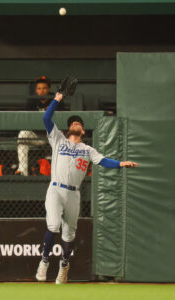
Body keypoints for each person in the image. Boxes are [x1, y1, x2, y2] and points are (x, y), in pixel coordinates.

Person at [35, 92, 139, 284]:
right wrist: (57, 98)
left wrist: (120, 164)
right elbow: (46, 117)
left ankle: (64, 265)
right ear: (68, 130)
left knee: (69, 234)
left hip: (73, 193)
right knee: (53, 225)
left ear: (83, 131)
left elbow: (103, 160)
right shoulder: (58, 140)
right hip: (56, 189)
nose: (75, 123)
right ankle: (44, 261)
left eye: (79, 123)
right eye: (72, 123)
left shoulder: (88, 150)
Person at [15, 76, 53, 176]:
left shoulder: (55, 100)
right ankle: (23, 171)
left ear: (48, 89)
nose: (42, 91)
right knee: (23, 135)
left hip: (51, 136)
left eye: (44, 88)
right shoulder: (31, 101)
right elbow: (26, 121)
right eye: (39, 88)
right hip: (36, 136)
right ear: (36, 90)